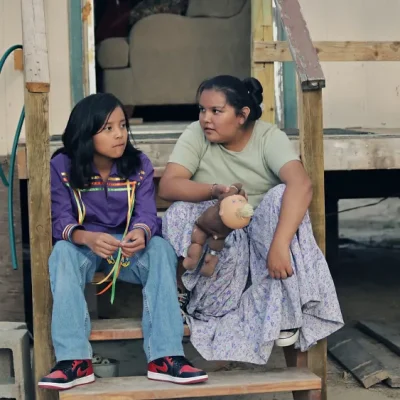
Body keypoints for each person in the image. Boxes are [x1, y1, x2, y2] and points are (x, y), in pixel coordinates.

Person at [159, 75, 344, 364]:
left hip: (264, 240)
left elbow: (301, 185)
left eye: (216, 111)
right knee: (180, 211)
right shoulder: (196, 133)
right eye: (202, 110)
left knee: (282, 195)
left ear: (242, 115)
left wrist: (280, 245)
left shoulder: (268, 137)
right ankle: (194, 298)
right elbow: (169, 185)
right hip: (221, 242)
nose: (206, 118)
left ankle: (287, 310)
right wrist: (214, 190)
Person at [38, 93, 208, 390]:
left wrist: (141, 233)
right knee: (62, 252)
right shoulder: (62, 165)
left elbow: (146, 212)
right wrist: (86, 237)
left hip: (126, 249)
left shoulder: (136, 164)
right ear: (85, 132)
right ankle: (74, 361)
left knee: (159, 248)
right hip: (83, 245)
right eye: (108, 128)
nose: (120, 134)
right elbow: (60, 218)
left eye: (122, 125)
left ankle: (165, 357)